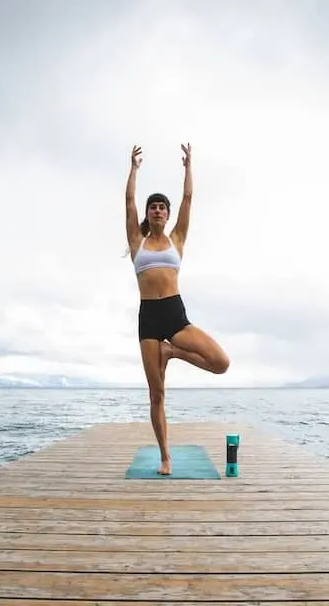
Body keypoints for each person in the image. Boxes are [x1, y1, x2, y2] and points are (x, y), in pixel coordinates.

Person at [125, 142, 230, 475]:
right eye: (153, 207)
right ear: (147, 213)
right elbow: (128, 201)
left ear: (168, 215)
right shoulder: (136, 241)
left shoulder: (177, 238)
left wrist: (188, 166)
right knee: (157, 394)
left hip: (174, 314)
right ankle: (165, 456)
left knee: (220, 362)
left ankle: (174, 352)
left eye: (162, 207)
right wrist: (134, 169)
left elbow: (188, 200)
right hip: (148, 319)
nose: (157, 210)